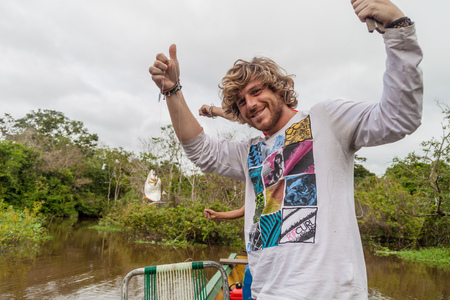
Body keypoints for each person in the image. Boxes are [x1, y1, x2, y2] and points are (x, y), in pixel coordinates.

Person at [148, 0, 423, 298]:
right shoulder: (248, 152)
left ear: (279, 89)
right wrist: (172, 91)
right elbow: (201, 150)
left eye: (256, 91)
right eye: (241, 101)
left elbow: (399, 118)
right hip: (266, 293)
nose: (250, 104)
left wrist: (398, 29)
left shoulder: (326, 120)